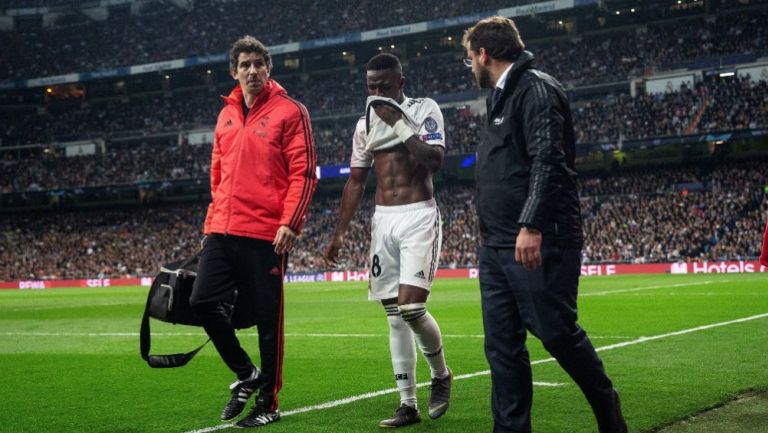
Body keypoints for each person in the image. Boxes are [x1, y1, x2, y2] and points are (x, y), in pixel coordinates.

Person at [462, 16, 627, 433]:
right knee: (502, 349)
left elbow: (549, 160)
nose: (470, 68)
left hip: (538, 239)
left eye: (470, 58)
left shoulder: (536, 88)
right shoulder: (500, 96)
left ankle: (609, 410)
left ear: (484, 54)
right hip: (496, 246)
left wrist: (531, 224)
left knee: (555, 332)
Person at [189, 35, 317, 428]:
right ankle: (247, 375)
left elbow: (304, 172)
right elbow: (217, 173)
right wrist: (212, 222)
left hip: (266, 234)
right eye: (244, 65)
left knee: (267, 320)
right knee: (201, 302)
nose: (252, 70)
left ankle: (268, 403)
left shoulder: (291, 111)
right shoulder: (225, 114)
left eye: (259, 63)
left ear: (269, 68)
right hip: (223, 229)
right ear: (234, 71)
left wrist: (289, 223)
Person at [323, 53, 453, 428]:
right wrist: (340, 233)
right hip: (384, 222)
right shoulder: (363, 125)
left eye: (383, 86)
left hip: (418, 217)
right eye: (370, 88)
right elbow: (357, 181)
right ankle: (407, 404)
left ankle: (441, 375)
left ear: (401, 81)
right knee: (395, 317)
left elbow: (434, 159)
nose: (376, 93)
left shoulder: (424, 108)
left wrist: (397, 121)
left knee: (412, 309)